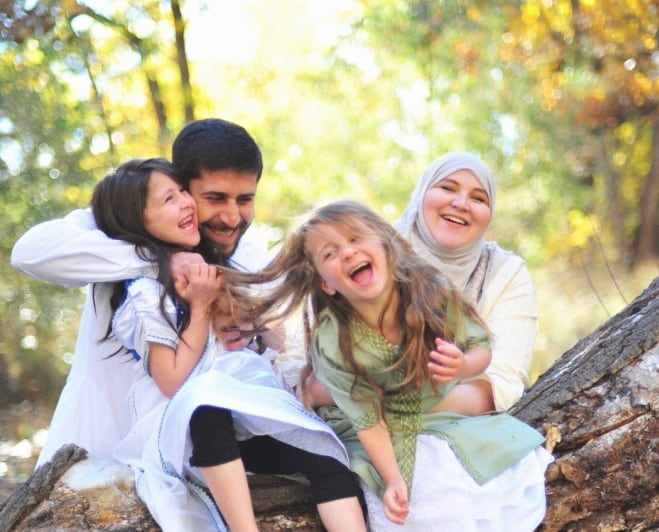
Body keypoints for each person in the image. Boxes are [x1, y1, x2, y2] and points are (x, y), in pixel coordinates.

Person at [213, 200, 553, 531]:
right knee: (418, 497)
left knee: (475, 472)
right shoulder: (336, 340)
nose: (347, 252)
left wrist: (463, 366)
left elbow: (481, 348)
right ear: (325, 283)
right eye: (329, 253)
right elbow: (368, 420)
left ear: (386, 246)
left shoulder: (429, 290)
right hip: (368, 427)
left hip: (437, 413)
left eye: (355, 238)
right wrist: (392, 481)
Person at [79, 158, 368, 531]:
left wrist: (253, 323)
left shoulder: (210, 266)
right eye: (169, 199)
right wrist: (200, 308)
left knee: (327, 459)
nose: (185, 203)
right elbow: (172, 381)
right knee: (207, 406)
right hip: (183, 432)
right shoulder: (144, 294)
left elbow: (274, 341)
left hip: (242, 420)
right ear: (138, 220)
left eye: (182, 191)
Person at [11, 118, 272, 467]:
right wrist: (156, 257)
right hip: (102, 447)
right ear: (182, 186)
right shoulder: (119, 221)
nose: (231, 217)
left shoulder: (251, 257)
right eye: (214, 198)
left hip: (206, 456)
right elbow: (28, 252)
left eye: (245, 199)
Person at [396, 151, 538, 413]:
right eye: (447, 188)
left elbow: (503, 380)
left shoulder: (505, 273)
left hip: (452, 425)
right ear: (422, 192)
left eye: (478, 198)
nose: (461, 204)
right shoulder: (375, 253)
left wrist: (400, 407)